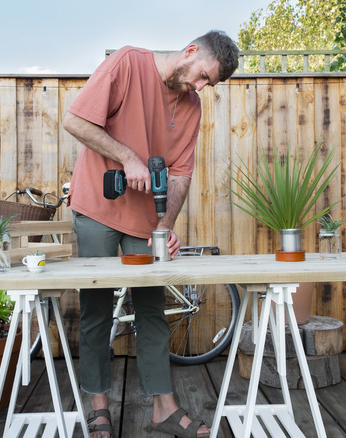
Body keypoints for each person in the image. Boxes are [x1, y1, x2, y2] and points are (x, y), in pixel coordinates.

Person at [62, 30, 239, 438]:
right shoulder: (127, 62)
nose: (199, 87)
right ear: (191, 51)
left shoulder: (191, 106)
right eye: (201, 76)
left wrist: (165, 226)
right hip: (98, 210)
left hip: (145, 222)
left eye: (207, 84)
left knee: (152, 310)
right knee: (96, 308)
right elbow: (74, 119)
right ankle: (99, 406)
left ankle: (163, 407)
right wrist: (127, 156)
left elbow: (180, 173)